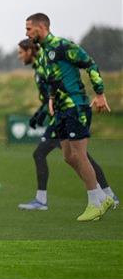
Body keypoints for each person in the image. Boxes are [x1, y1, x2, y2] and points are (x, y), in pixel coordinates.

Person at [25, 13, 114, 221]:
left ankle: (95, 203)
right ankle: (103, 196)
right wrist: (52, 99)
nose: (26, 33)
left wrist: (100, 93)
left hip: (76, 107)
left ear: (41, 27)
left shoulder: (63, 46)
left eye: (29, 28)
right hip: (62, 110)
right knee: (68, 156)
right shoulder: (46, 52)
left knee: (80, 154)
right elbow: (55, 79)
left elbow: (90, 64)